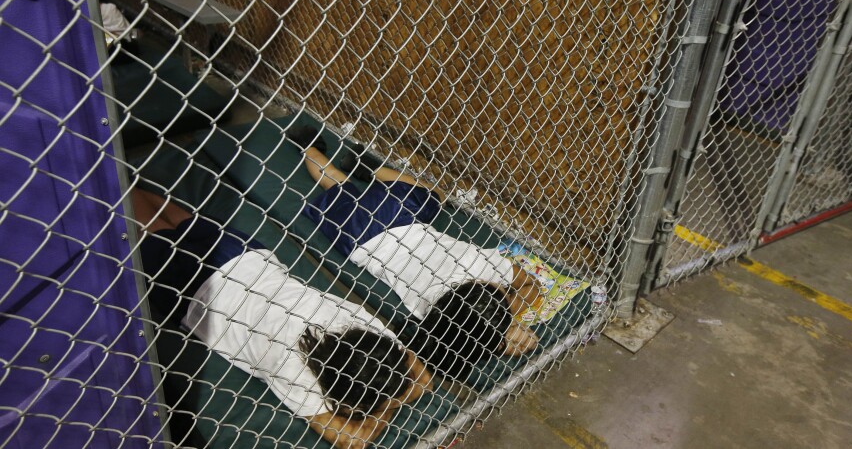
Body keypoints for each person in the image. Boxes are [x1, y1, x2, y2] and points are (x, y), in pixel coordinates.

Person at [131, 188, 432, 449]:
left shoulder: (360, 326)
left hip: (245, 256)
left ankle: (122, 181)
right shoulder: (296, 371)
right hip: (198, 292)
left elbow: (419, 378)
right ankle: (118, 182)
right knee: (150, 225)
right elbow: (353, 439)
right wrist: (387, 405)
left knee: (173, 217)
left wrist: (390, 397)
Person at [290, 127, 543, 381]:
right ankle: (309, 146)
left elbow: (527, 288)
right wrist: (497, 334)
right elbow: (528, 289)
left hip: (399, 216)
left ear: (481, 283)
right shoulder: (430, 312)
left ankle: (360, 165)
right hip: (362, 242)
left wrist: (501, 322)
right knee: (334, 180)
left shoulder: (478, 264)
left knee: (436, 194)